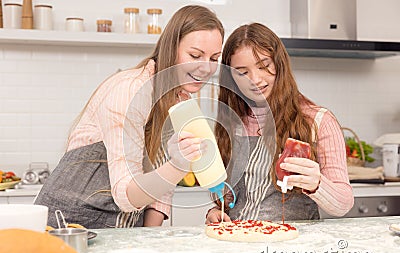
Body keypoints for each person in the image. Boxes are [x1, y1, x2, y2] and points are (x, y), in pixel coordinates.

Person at [34, 5, 224, 228]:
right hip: (67, 227)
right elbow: (125, 195)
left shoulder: (181, 102)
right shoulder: (129, 90)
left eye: (214, 58)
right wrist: (177, 167)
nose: (205, 68)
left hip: (121, 233)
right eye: (195, 55)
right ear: (171, 48)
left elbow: (160, 194)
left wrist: (148, 240)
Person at [206, 23, 354, 223]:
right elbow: (230, 199)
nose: (255, 79)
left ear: (279, 63)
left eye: (264, 66)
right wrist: (216, 212)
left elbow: (343, 204)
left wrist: (316, 184)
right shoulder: (233, 122)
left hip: (292, 246)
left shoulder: (318, 121)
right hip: (238, 242)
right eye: (242, 72)